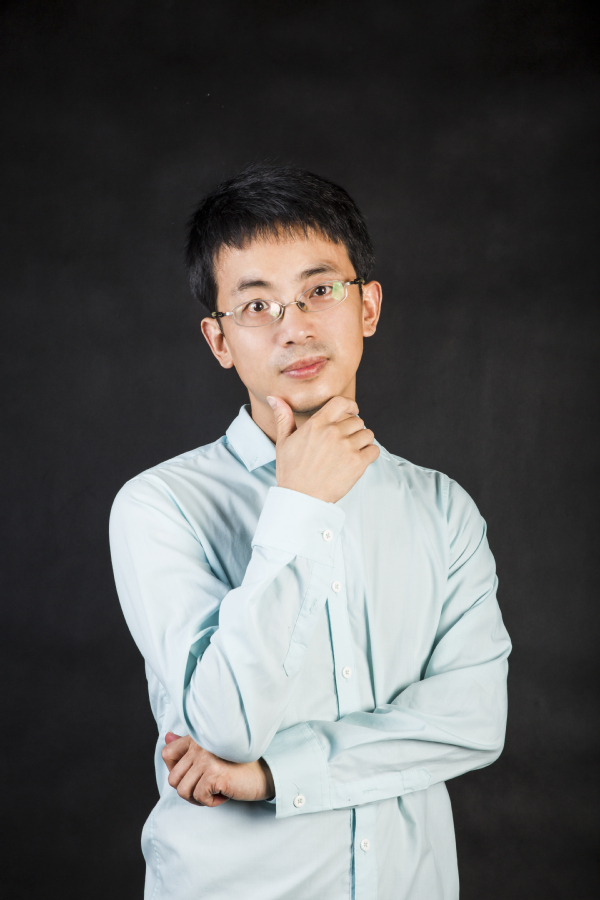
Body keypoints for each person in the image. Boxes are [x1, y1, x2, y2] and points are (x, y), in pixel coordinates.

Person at [109, 164, 511, 900]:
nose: (293, 327)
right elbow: (224, 727)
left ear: (368, 307)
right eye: (256, 305)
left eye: (320, 291)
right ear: (219, 340)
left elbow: (474, 721)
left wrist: (274, 775)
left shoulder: (442, 509)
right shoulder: (159, 506)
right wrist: (298, 504)